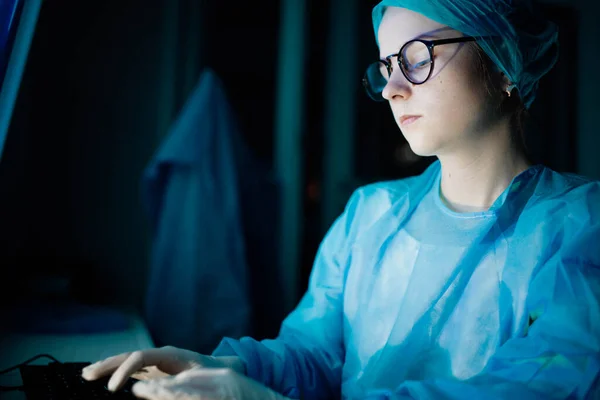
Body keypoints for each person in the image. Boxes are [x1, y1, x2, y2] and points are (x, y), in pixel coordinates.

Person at [82, 0, 600, 399]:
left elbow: (543, 386)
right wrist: (225, 368)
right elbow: (314, 354)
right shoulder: (369, 216)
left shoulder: (581, 226)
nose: (394, 88)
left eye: (418, 58)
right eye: (387, 65)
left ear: (505, 60)